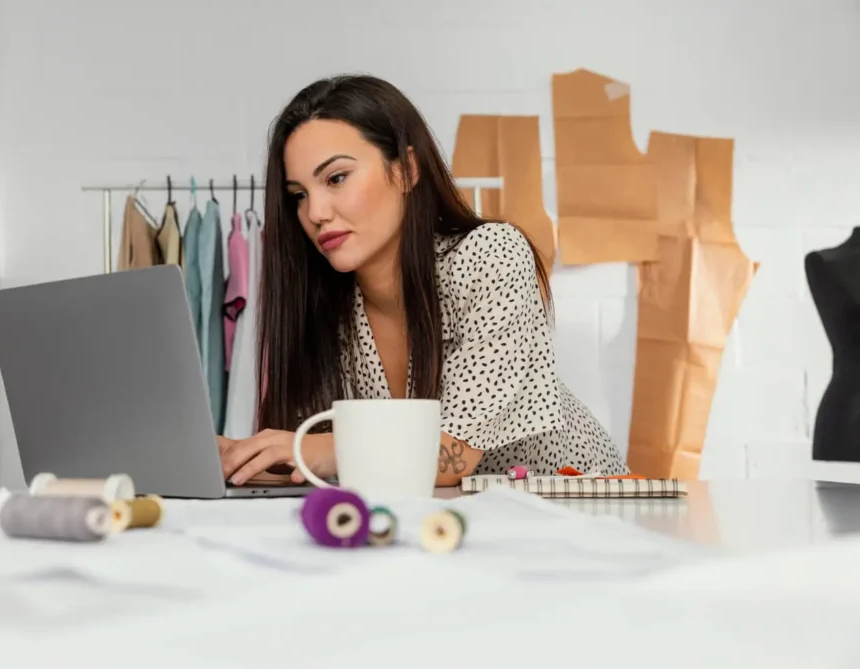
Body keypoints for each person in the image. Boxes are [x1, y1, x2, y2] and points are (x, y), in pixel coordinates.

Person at [218, 74, 626, 487]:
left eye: (337, 178)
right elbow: (320, 465)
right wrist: (238, 460)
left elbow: (453, 459)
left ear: (407, 171)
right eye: (298, 195)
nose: (316, 212)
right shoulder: (329, 304)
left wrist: (318, 448)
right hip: (459, 526)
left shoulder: (491, 255)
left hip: (581, 511)